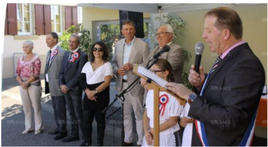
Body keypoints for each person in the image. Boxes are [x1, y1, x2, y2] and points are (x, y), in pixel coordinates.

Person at [165, 7, 265, 146]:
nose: (204, 35)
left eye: (209, 30)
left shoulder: (246, 65)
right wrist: (202, 83)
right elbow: (224, 92)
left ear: (225, 33)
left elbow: (229, 118)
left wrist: (190, 96)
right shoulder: (229, 58)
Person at [111, 20, 150, 146]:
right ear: (122, 31)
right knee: (126, 114)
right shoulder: (118, 44)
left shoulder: (143, 45)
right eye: (126, 29)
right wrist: (117, 70)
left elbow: (147, 64)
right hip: (122, 85)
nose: (128, 31)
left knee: (139, 115)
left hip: (136, 85)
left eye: (130, 29)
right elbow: (113, 62)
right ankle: (128, 140)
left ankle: (141, 141)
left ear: (134, 30)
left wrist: (133, 66)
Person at [142, 59, 184, 146]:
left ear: (165, 73)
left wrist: (154, 130)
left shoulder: (174, 93)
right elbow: (146, 113)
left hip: (166, 136)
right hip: (150, 134)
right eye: (151, 72)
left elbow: (173, 120)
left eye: (155, 72)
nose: (152, 75)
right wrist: (146, 132)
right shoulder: (152, 89)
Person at [80, 41, 113, 146]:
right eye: (95, 49)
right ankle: (87, 142)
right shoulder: (87, 64)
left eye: (100, 49)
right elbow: (82, 80)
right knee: (86, 121)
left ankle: (99, 143)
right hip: (88, 95)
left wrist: (94, 92)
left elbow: (107, 82)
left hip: (101, 96)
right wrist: (88, 92)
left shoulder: (107, 65)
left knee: (100, 122)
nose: (97, 51)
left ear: (104, 51)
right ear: (92, 51)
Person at [59, 34, 88, 142]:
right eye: (70, 41)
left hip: (75, 89)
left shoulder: (83, 55)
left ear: (78, 43)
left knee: (78, 113)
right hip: (65, 88)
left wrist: (68, 86)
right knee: (70, 112)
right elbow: (61, 71)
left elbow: (79, 74)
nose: (71, 43)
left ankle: (85, 138)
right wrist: (61, 84)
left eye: (74, 42)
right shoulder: (66, 54)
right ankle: (74, 134)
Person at [16, 40, 43, 135]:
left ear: (32, 47)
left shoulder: (36, 58)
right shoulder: (20, 58)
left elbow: (36, 73)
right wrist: (21, 83)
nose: (25, 48)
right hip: (22, 85)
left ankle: (38, 127)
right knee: (26, 107)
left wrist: (27, 82)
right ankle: (28, 127)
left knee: (36, 107)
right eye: (23, 46)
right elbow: (17, 73)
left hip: (33, 84)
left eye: (27, 46)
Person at [45, 32, 67, 140]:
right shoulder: (49, 52)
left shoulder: (62, 52)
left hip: (59, 86)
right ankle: (59, 127)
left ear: (55, 39)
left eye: (49, 39)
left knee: (60, 109)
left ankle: (63, 130)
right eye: (46, 39)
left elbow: (64, 71)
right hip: (51, 85)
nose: (46, 41)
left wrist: (63, 84)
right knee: (55, 108)